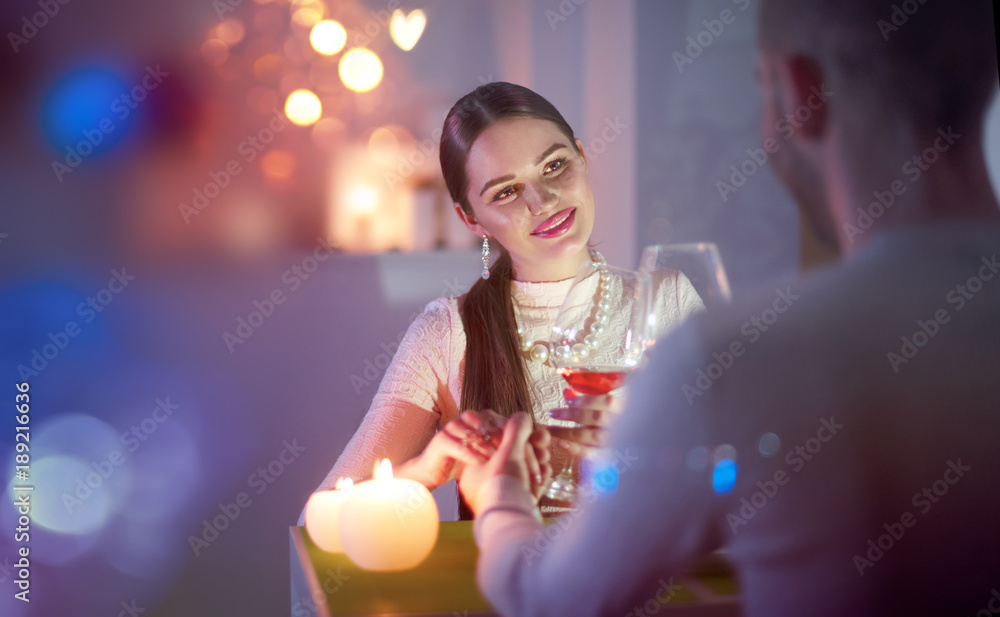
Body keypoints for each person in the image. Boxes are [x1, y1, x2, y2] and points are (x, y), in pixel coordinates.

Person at [459, 1, 1000, 615]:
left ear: (801, 92)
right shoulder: (457, 327)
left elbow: (550, 600)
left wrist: (500, 496)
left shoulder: (723, 358)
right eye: (506, 191)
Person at [301, 82, 703, 521]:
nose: (543, 201)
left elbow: (741, 475)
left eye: (554, 166)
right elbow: (319, 520)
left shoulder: (665, 299)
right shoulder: (448, 333)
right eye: (506, 192)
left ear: (582, 157)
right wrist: (425, 471)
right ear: (471, 219)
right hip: (504, 587)